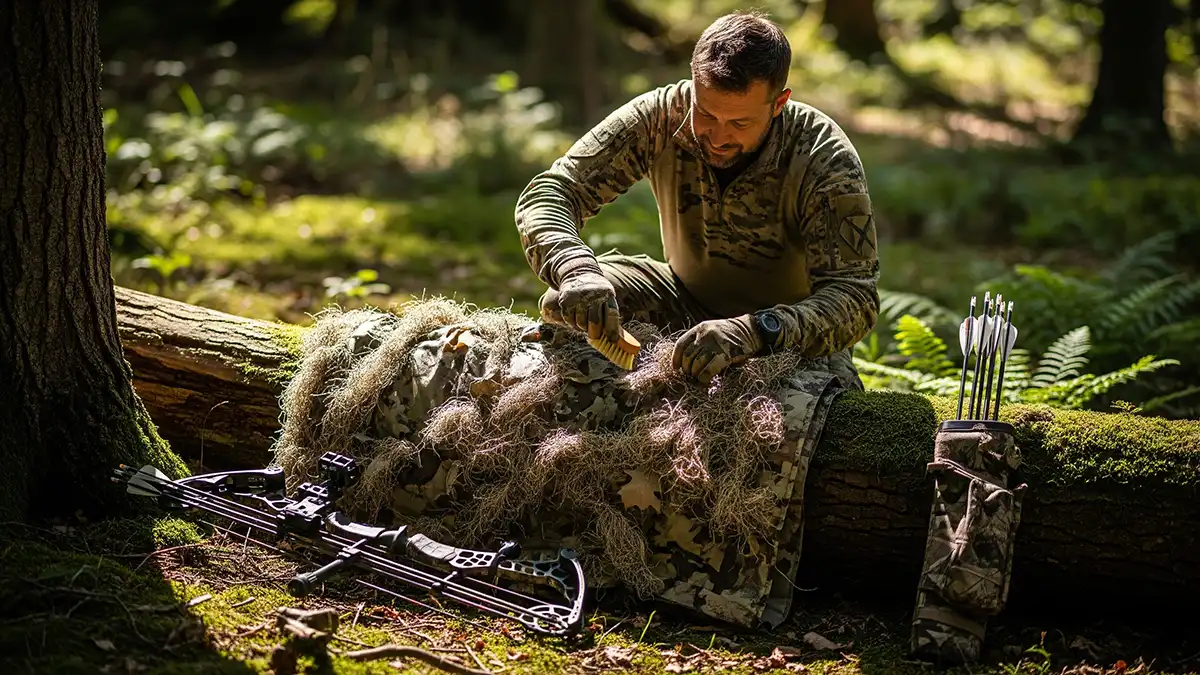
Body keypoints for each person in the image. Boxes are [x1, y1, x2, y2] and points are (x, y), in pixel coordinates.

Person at [513, 10, 879, 387]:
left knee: (825, 417)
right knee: (570, 306)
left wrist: (756, 330)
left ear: (778, 103)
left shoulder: (820, 153)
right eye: (705, 114)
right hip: (681, 299)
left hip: (783, 331)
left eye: (740, 124)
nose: (718, 137)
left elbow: (854, 297)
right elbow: (551, 192)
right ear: (692, 83)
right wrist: (575, 269)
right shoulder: (661, 117)